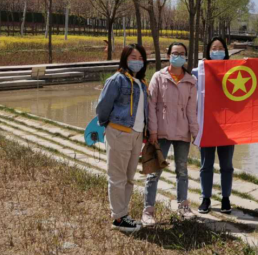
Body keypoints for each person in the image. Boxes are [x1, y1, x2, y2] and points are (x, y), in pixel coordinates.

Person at [142, 42, 199, 226]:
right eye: (175, 53)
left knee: (182, 170)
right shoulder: (158, 77)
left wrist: (195, 132)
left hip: (182, 132)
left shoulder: (191, 81)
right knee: (154, 172)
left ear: (186, 57)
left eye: (182, 53)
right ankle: (148, 210)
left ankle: (183, 206)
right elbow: (151, 105)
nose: (178, 56)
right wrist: (153, 130)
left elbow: (191, 110)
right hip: (161, 133)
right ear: (168, 55)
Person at [96, 45, 150, 233]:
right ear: (125, 59)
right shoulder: (116, 80)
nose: (137, 61)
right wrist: (109, 126)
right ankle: (118, 217)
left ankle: (124, 214)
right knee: (117, 177)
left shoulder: (141, 82)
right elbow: (103, 107)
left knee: (129, 177)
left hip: (136, 135)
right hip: (119, 132)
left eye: (141, 58)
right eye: (133, 57)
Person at [195, 37, 236, 215]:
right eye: (214, 48)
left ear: (225, 52)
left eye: (220, 48)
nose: (217, 51)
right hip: (207, 125)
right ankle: (206, 198)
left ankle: (226, 198)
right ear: (208, 51)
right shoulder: (199, 72)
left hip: (228, 127)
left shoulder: (234, 71)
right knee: (206, 164)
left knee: (227, 165)